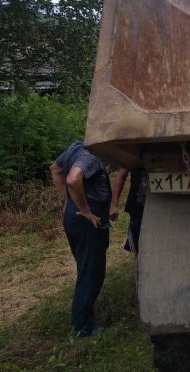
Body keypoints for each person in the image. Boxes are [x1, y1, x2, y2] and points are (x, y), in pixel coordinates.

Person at [49, 140, 112, 337]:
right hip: (87, 220)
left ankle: (86, 314)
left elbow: (55, 168)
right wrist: (85, 210)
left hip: (73, 217)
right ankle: (83, 326)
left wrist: (67, 200)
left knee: (86, 267)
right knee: (92, 271)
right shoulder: (90, 154)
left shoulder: (74, 147)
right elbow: (73, 179)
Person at [111, 167, 146, 253]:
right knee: (137, 246)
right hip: (138, 206)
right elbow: (121, 176)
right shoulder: (135, 154)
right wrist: (113, 205)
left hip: (165, 205)